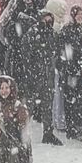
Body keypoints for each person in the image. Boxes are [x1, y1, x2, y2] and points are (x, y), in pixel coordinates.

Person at [22, 9, 62, 145]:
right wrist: (31, 74)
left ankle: (48, 134)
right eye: (45, 18)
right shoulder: (32, 34)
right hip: (34, 77)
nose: (48, 21)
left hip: (48, 76)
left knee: (47, 106)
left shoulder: (52, 34)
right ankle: (21, 133)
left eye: (50, 18)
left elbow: (55, 53)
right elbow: (26, 56)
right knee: (29, 107)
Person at [58, 6, 82, 139]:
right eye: (78, 14)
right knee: (70, 99)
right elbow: (65, 50)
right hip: (71, 70)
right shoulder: (67, 30)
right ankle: (71, 128)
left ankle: (78, 126)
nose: (81, 17)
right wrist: (71, 65)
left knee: (79, 99)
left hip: (80, 70)